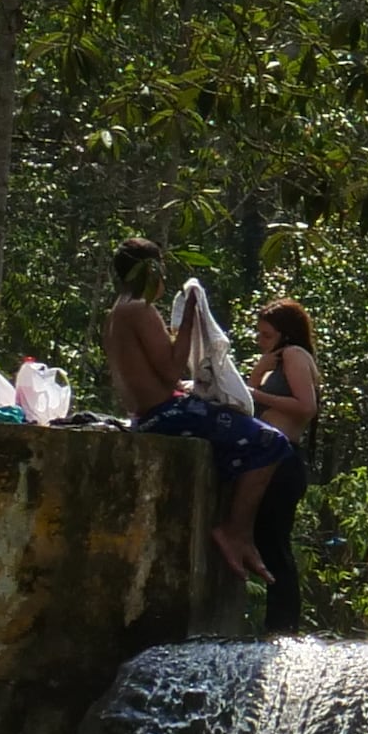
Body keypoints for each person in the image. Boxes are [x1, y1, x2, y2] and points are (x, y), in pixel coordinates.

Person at [105, 238, 286, 586]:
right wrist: (189, 317)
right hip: (166, 415)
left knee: (234, 435)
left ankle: (238, 532)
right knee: (270, 442)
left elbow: (153, 375)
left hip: (148, 414)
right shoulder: (139, 309)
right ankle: (236, 532)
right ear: (151, 271)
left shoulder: (116, 312)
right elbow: (172, 369)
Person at [250, 299, 322, 635]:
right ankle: (275, 623)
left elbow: (306, 406)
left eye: (266, 335)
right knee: (265, 539)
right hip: (269, 457)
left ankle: (283, 626)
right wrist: (261, 369)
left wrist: (260, 393)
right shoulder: (277, 359)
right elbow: (248, 396)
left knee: (274, 543)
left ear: (284, 334)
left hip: (283, 459)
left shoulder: (293, 355)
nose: (260, 341)